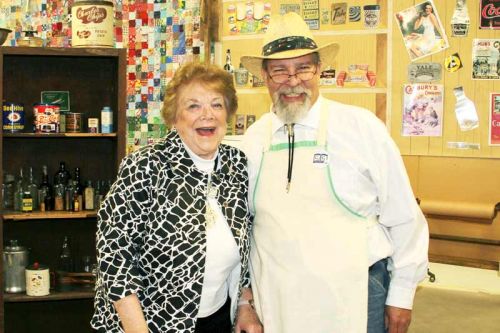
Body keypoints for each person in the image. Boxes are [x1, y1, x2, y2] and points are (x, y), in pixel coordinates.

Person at [240, 12, 429, 333]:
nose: (293, 80)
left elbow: (404, 215)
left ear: (319, 71)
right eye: (280, 71)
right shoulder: (252, 141)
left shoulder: (361, 127)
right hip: (278, 301)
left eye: (303, 68)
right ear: (265, 77)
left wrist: (402, 293)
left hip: (358, 295)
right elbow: (243, 231)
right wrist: (246, 303)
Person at [91, 62, 263, 333]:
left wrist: (244, 305)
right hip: (148, 324)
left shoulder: (236, 164)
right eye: (193, 106)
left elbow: (244, 243)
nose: (207, 115)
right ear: (174, 117)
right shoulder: (145, 166)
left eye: (217, 105)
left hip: (216, 320)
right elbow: (115, 258)